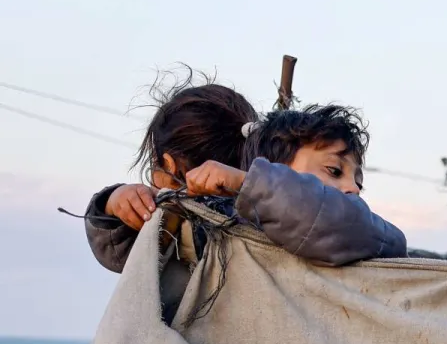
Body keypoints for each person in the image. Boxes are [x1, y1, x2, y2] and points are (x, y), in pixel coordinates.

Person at [182, 103, 406, 266]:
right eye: (334, 170)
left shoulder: (367, 232)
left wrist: (249, 184)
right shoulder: (221, 228)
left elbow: (326, 220)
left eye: (359, 182)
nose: (354, 189)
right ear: (271, 168)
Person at [83, 75, 257, 272]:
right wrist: (111, 205)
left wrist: (114, 207)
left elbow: (121, 257)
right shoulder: (271, 211)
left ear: (168, 164)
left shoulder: (164, 220)